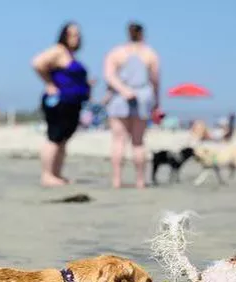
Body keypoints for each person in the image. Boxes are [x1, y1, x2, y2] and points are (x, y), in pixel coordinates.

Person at [32, 22, 91, 186]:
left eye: (78, 34)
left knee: (64, 138)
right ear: (64, 35)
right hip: (59, 101)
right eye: (72, 34)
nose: (75, 38)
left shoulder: (70, 54)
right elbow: (37, 63)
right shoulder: (57, 50)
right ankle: (47, 174)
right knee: (54, 136)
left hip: (73, 101)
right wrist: (49, 83)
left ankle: (56, 174)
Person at [103, 22, 160, 188]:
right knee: (138, 142)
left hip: (120, 98)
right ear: (142, 34)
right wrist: (156, 102)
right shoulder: (150, 53)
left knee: (118, 141)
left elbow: (109, 76)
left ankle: (117, 180)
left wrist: (123, 90)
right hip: (142, 97)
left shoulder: (117, 52)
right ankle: (140, 181)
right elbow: (155, 80)